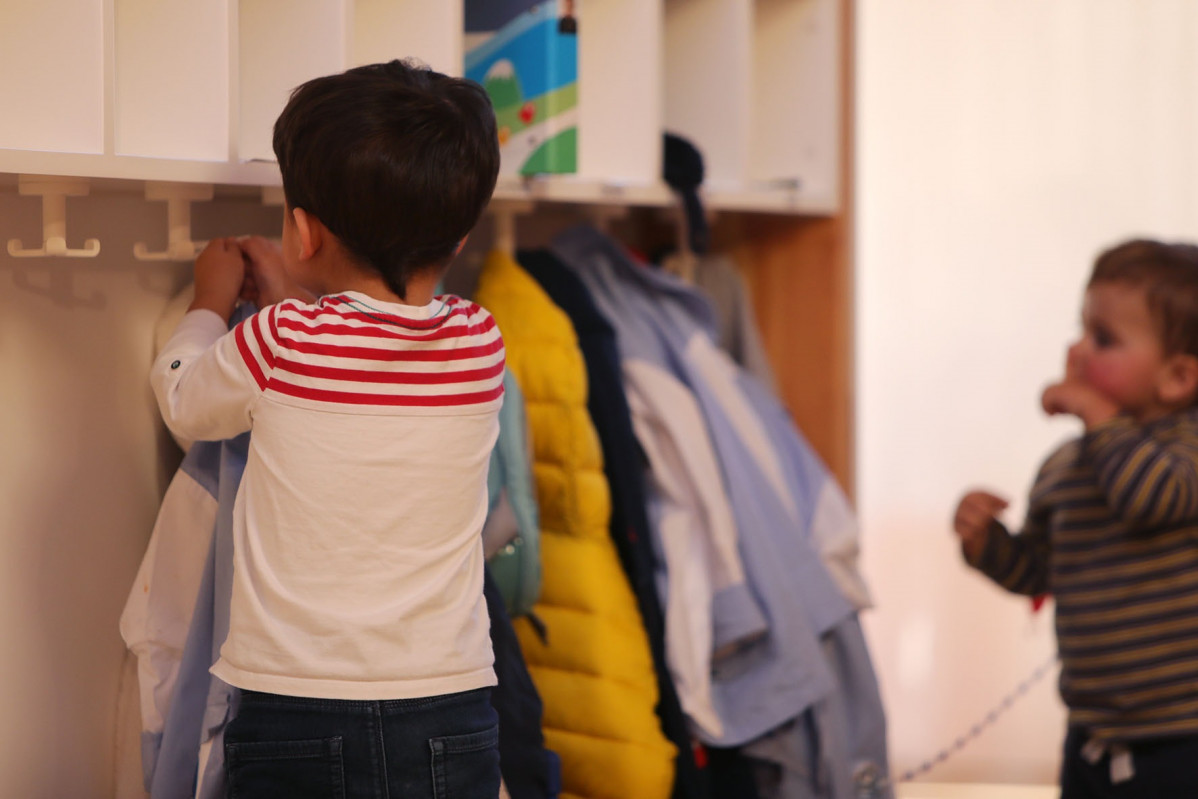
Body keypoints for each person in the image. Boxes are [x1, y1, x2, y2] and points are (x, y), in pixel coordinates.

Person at [150, 59, 504, 799]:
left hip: (297, 708)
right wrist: (301, 296)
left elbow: (185, 397)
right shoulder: (480, 342)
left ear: (303, 233)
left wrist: (209, 306)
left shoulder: (277, 340)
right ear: (462, 237)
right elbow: (367, 345)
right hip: (452, 702)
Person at [954, 238, 1198, 798]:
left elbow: (1152, 498)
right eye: (1081, 330)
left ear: (1177, 378)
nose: (1078, 350)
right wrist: (985, 544)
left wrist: (1097, 412)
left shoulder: (1186, 449)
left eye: (1104, 339)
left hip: (1184, 737)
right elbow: (1039, 571)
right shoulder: (1066, 465)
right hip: (1092, 733)